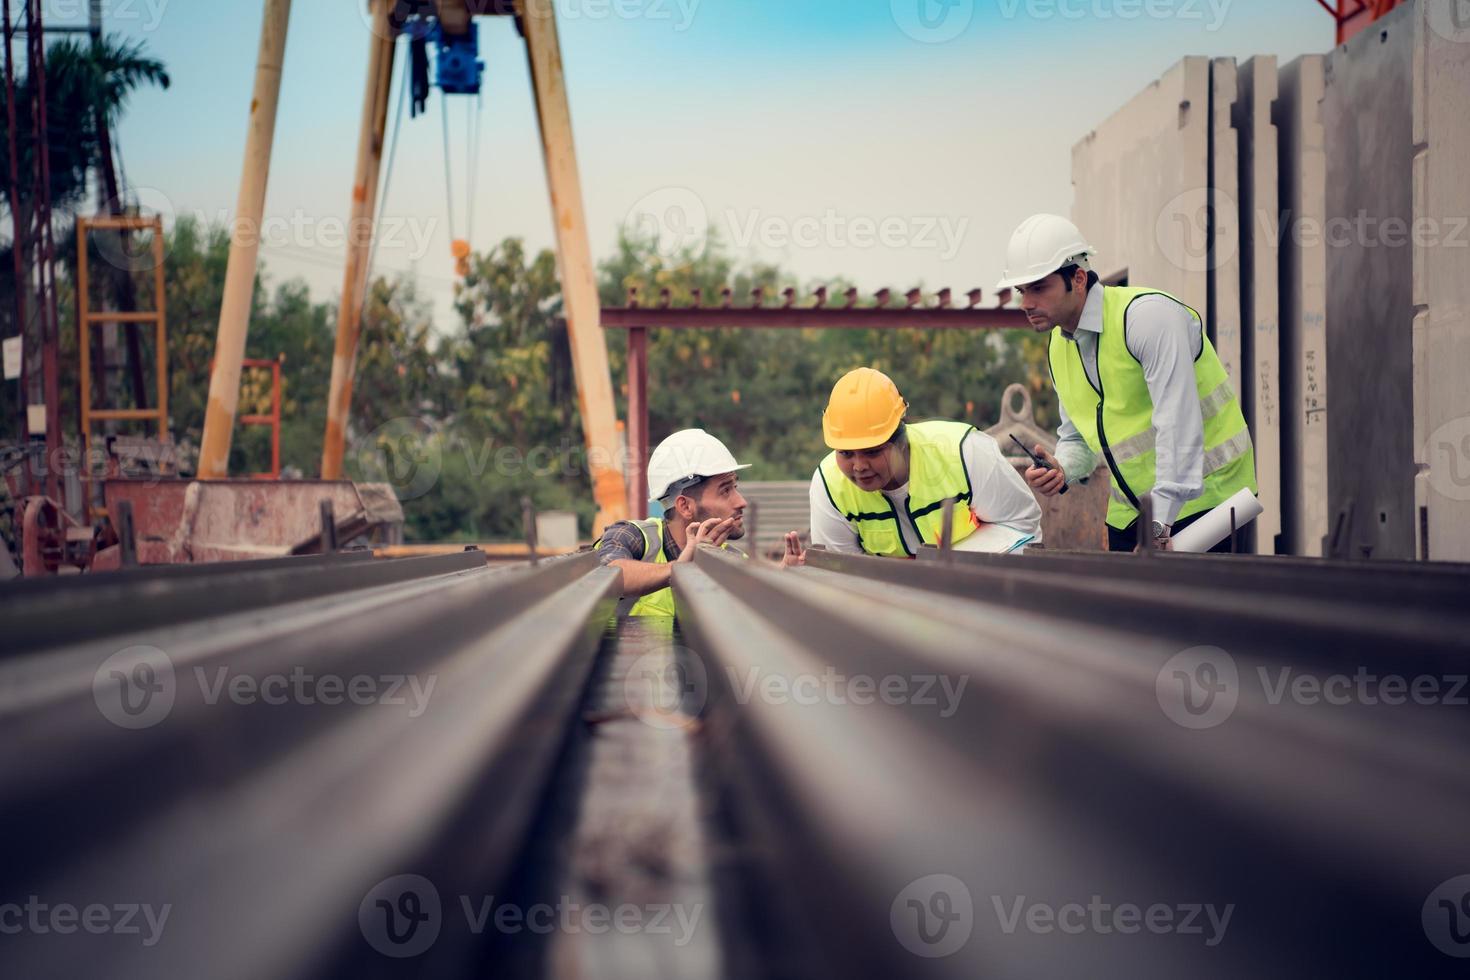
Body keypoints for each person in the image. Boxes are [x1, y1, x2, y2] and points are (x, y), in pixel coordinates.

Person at [998, 213, 1257, 552]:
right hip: (1131, 515)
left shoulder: (1148, 318)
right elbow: (1078, 437)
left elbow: (1179, 427)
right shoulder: (1060, 347)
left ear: (1077, 279)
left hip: (1210, 505)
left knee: (1205, 607)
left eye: (1038, 288)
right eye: (1021, 290)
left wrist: (1158, 526)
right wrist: (1062, 468)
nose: (1026, 303)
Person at [795, 367, 1042, 560]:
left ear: (901, 441)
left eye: (871, 452)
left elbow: (1021, 524)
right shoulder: (829, 485)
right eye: (846, 454)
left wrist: (952, 565)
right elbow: (841, 572)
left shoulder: (964, 451)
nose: (859, 466)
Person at [595, 428, 750, 616]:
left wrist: (787, 577)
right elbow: (610, 573)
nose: (742, 502)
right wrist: (680, 567)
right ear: (684, 506)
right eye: (725, 491)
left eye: (735, 487)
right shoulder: (630, 535)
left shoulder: (734, 560)